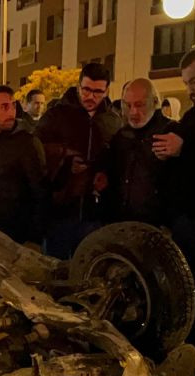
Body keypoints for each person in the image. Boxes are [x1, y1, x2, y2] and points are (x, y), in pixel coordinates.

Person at [37, 62, 124, 257]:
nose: (91, 97)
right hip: (61, 207)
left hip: (95, 210)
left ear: (107, 90)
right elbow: (37, 150)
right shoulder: (56, 115)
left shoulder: (113, 120)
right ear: (78, 85)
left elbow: (118, 157)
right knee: (55, 265)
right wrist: (65, 160)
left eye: (97, 92)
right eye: (86, 90)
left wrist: (105, 173)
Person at [153, 48, 195, 268]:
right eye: (186, 83)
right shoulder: (192, 116)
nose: (190, 89)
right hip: (186, 219)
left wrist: (184, 149)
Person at [0, 84, 47, 246]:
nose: (11, 112)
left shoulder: (27, 143)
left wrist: (34, 239)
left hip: (16, 236)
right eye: (4, 107)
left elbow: (40, 192)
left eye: (13, 106)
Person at [105, 78, 175, 226]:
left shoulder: (171, 133)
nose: (133, 112)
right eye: (127, 105)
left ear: (155, 102)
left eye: (140, 105)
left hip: (158, 224)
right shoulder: (121, 136)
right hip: (122, 221)